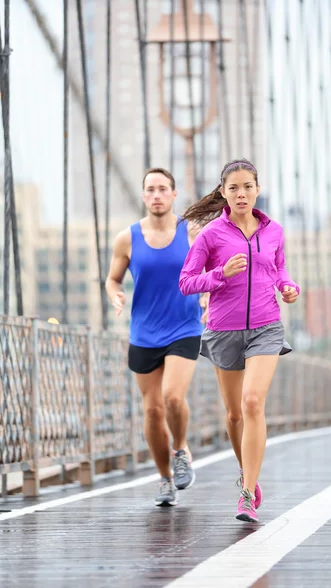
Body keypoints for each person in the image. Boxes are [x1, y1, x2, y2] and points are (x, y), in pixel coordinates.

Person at [179, 158, 299, 523]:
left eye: (248, 186)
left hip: (266, 326)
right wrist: (219, 273)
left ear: (257, 189)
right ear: (223, 193)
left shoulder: (274, 231)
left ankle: (247, 493)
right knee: (233, 415)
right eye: (234, 188)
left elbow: (277, 268)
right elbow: (187, 282)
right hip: (224, 330)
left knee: (251, 402)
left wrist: (287, 286)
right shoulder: (211, 235)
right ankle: (248, 472)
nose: (242, 193)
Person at [106, 167, 207, 507]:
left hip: (184, 326)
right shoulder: (127, 238)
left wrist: (208, 293)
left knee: (173, 398)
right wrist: (115, 294)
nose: (156, 195)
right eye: (150, 189)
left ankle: (180, 449)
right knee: (152, 412)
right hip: (145, 332)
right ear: (144, 195)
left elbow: (211, 270)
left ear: (174, 194)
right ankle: (164, 479)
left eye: (163, 189)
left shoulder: (192, 232)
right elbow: (113, 279)